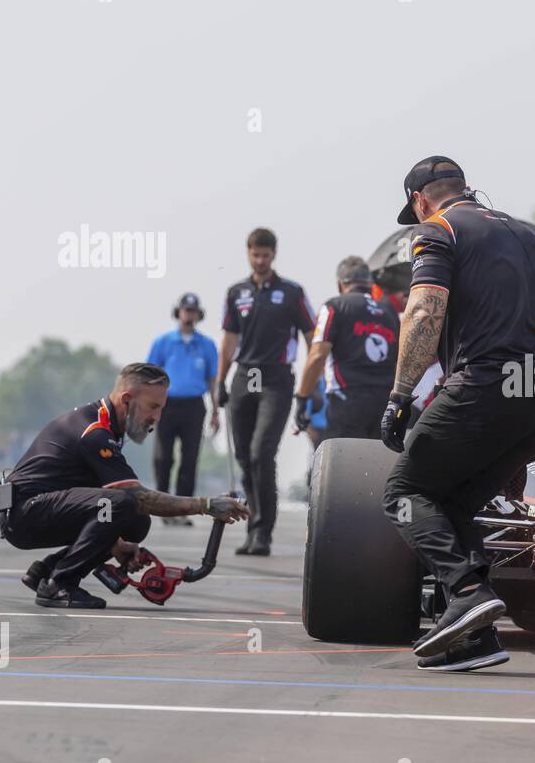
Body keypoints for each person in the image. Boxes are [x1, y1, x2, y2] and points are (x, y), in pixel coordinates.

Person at [379, 155, 535, 672]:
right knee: (452, 504)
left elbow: (425, 310)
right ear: (465, 188)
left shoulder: (437, 231)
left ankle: (467, 591)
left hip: (482, 383)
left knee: (404, 493)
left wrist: (400, 395)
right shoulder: (525, 236)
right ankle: (478, 637)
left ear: (420, 201)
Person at [0, 364, 248, 608]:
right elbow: (138, 497)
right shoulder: (95, 431)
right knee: (125, 503)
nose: (157, 417)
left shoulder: (107, 426)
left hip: (36, 509)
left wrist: (113, 543)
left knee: (136, 521)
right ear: (127, 399)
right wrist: (207, 505)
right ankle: (59, 584)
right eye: (153, 407)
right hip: (23, 513)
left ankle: (46, 571)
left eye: (161, 409)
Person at [216, 227, 316, 556]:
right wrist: (220, 381)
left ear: (274, 255)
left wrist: (310, 382)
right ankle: (252, 523)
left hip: (276, 377)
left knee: (262, 453)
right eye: (255, 255)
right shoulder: (236, 292)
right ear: (248, 253)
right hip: (246, 375)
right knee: (246, 457)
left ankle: (263, 532)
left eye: (266, 256)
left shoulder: (291, 292)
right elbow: (229, 341)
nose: (260, 260)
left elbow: (311, 335)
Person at [295, 256, 400, 441]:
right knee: (378, 467)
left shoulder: (335, 306)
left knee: (345, 467)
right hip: (385, 401)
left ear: (339, 285)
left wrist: (302, 398)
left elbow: (317, 356)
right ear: (369, 282)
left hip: (348, 400)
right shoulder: (389, 311)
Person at [146, 293, 220, 526]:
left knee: (189, 459)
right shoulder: (163, 342)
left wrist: (216, 411)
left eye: (193, 312)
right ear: (178, 313)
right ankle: (161, 503)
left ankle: (182, 509)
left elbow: (212, 380)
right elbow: (149, 376)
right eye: (185, 311)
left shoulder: (206, 345)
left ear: (199, 315)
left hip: (194, 405)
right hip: (167, 404)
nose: (189, 316)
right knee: (163, 457)